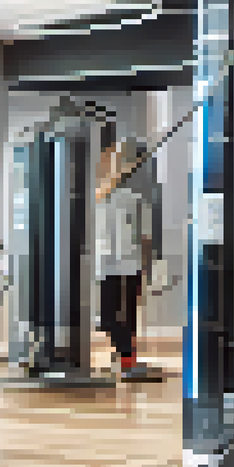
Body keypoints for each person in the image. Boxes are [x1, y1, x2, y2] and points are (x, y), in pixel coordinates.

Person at [94, 140, 155, 379]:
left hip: (131, 262)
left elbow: (146, 236)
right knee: (108, 316)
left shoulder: (138, 196)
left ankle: (127, 360)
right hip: (106, 262)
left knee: (127, 315)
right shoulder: (100, 196)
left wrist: (146, 266)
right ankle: (124, 354)